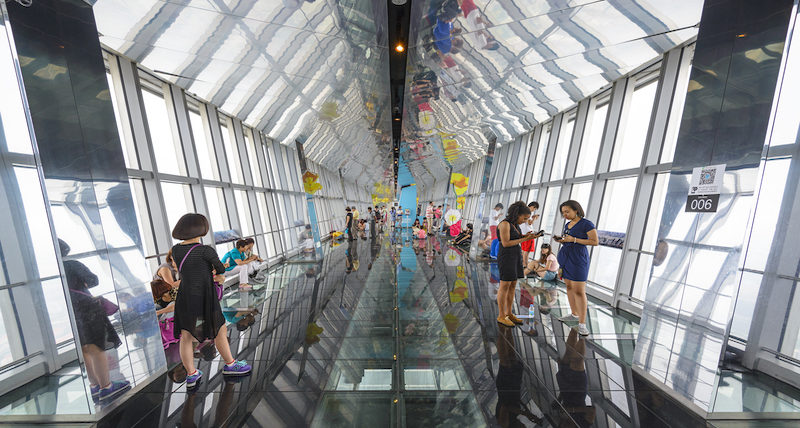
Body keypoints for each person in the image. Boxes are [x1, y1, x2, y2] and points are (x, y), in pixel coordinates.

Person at [171, 213, 251, 388]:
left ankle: (191, 375)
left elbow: (189, 270)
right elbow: (220, 268)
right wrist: (218, 276)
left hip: (185, 297)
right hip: (204, 296)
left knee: (186, 335)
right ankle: (230, 365)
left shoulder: (176, 250)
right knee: (219, 329)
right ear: (201, 230)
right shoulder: (205, 250)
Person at [60, 239, 130, 402]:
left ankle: (95, 386)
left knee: (84, 349)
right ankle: (106, 387)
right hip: (87, 308)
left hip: (70, 310)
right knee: (96, 348)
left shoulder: (51, 270)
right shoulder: (71, 264)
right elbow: (93, 280)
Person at [554, 200, 598, 336]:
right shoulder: (568, 224)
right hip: (566, 257)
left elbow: (595, 241)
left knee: (579, 290)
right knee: (569, 287)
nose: (565, 214)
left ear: (576, 210)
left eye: (567, 211)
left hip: (578, 259)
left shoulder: (587, 224)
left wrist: (573, 240)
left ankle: (582, 324)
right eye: (563, 213)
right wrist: (563, 240)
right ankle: (574, 314)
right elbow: (569, 238)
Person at [495, 202, 539, 327]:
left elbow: (517, 237)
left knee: (513, 285)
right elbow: (506, 243)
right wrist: (524, 239)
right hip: (506, 257)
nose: (525, 221)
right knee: (504, 286)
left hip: (515, 256)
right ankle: (501, 315)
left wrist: (528, 236)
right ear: (517, 214)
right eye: (524, 218)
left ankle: (509, 313)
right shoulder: (504, 224)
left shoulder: (514, 224)